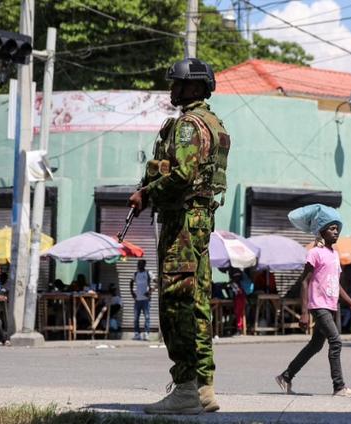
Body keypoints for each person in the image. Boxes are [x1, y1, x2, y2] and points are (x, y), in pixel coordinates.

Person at [128, 58, 229, 415]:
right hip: (200, 220)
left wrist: (147, 193)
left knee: (177, 302)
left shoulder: (188, 125)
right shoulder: (213, 123)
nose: (172, 90)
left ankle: (186, 387)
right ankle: (203, 388)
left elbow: (183, 174)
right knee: (198, 301)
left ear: (197, 88)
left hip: (183, 222)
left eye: (178, 84)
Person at [276, 204, 351, 397]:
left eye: (337, 228)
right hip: (318, 306)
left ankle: (286, 376)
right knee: (336, 341)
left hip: (331, 306)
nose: (336, 231)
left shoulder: (334, 255)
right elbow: (304, 282)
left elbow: (336, 284)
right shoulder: (315, 253)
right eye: (332, 228)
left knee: (315, 345)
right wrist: (304, 312)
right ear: (321, 231)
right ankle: (339, 387)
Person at [130, 260, 152, 341]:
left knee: (147, 317)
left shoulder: (148, 273)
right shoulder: (136, 274)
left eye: (140, 264)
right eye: (138, 264)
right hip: (137, 300)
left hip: (146, 300)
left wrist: (150, 291)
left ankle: (146, 334)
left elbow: (156, 282)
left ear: (144, 265)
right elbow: (131, 282)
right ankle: (137, 334)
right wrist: (132, 292)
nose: (138, 265)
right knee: (136, 318)